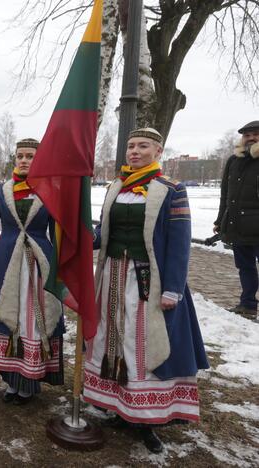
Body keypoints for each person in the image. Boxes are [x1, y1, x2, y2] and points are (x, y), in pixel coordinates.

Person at [83, 128, 209, 454]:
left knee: (142, 343)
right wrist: (77, 238)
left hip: (147, 280)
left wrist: (173, 289)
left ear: (158, 151)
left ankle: (147, 420)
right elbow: (103, 233)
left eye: (142, 146)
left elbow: (180, 246)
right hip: (111, 276)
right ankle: (118, 405)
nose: (134, 152)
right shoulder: (115, 188)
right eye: (130, 146)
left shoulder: (172, 190)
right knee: (113, 339)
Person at [0, 138, 65, 405]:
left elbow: (58, 235)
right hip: (5, 262)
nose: (24, 160)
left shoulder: (52, 191)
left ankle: (29, 383)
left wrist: (63, 267)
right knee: (7, 317)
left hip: (38, 264)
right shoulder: (0, 191)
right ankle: (11, 380)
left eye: (30, 156)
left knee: (33, 321)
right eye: (20, 156)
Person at [213, 120, 259, 320]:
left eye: (256, 134)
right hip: (237, 226)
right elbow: (226, 194)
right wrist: (220, 220)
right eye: (247, 135)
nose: (251, 138)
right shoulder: (234, 160)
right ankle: (247, 304)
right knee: (245, 267)